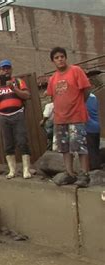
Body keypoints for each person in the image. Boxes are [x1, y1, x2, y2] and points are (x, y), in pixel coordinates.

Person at [46, 47, 92, 187]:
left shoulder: (76, 71)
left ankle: (84, 174)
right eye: (56, 57)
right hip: (60, 119)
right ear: (53, 61)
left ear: (65, 58)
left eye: (62, 56)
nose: (60, 59)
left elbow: (86, 90)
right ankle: (69, 173)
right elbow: (53, 96)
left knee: (80, 147)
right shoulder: (53, 78)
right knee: (64, 148)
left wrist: (78, 105)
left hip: (76, 116)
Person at [0, 59, 32, 179]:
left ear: (11, 69)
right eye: (3, 69)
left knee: (22, 141)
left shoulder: (18, 81)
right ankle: (12, 170)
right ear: (0, 71)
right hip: (3, 116)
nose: (5, 70)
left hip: (18, 114)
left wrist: (13, 88)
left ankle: (26, 170)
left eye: (7, 68)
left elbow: (27, 95)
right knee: (8, 144)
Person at [86, 93, 101, 170]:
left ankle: (94, 168)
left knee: (90, 150)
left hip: (88, 126)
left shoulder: (84, 98)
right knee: (95, 148)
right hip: (96, 126)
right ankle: (96, 166)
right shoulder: (93, 96)